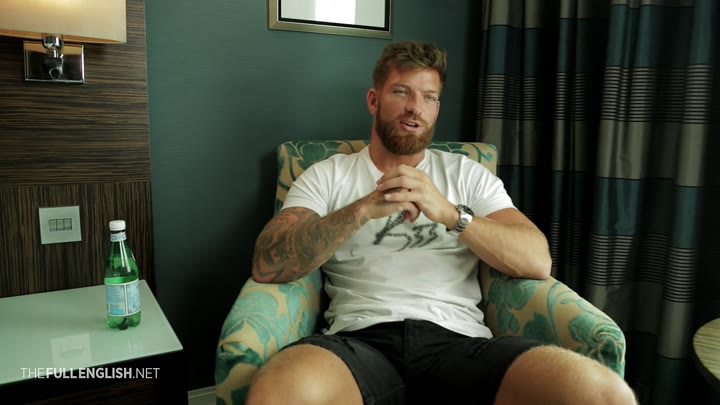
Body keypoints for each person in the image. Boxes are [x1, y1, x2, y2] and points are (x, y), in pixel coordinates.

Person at [247, 41, 636, 405]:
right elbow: (267, 263)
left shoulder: (467, 175)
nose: (415, 107)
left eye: (429, 97)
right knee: (277, 390)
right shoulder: (326, 175)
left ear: (436, 108)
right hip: (359, 343)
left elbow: (536, 260)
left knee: (604, 395)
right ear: (373, 100)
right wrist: (361, 210)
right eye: (402, 92)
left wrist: (450, 213)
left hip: (460, 343)